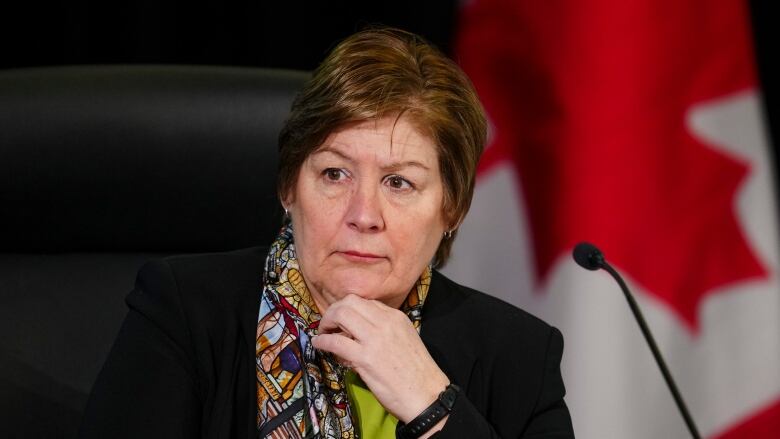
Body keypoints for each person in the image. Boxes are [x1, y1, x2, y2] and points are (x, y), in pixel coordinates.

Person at [80, 27, 574, 439]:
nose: (364, 214)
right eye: (335, 174)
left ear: (453, 209)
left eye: (399, 182)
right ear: (288, 187)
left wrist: (434, 407)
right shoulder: (184, 313)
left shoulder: (519, 357)